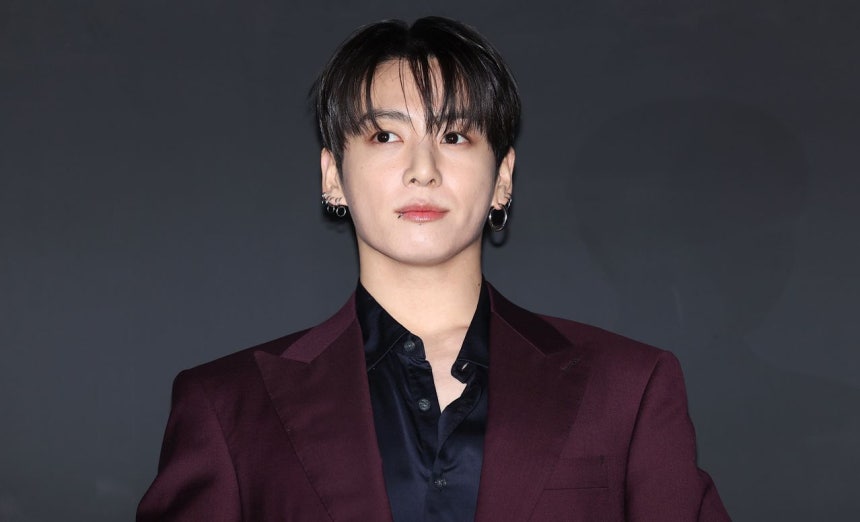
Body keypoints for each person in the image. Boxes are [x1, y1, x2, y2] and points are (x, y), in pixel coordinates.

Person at [137, 16, 730, 521]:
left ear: (502, 177)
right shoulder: (229, 405)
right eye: (384, 135)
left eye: (454, 135)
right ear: (332, 176)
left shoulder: (628, 388)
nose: (423, 168)